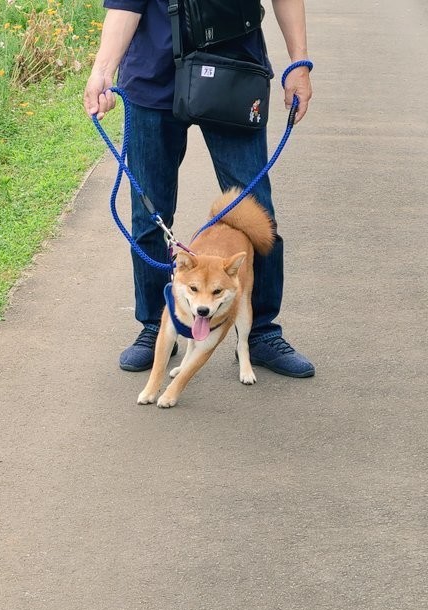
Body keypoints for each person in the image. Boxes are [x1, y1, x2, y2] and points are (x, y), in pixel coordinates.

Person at [84, 0, 315, 377]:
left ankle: (260, 333)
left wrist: (299, 63)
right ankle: (156, 326)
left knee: (257, 217)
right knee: (149, 216)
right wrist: (102, 71)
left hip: (235, 70)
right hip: (151, 79)